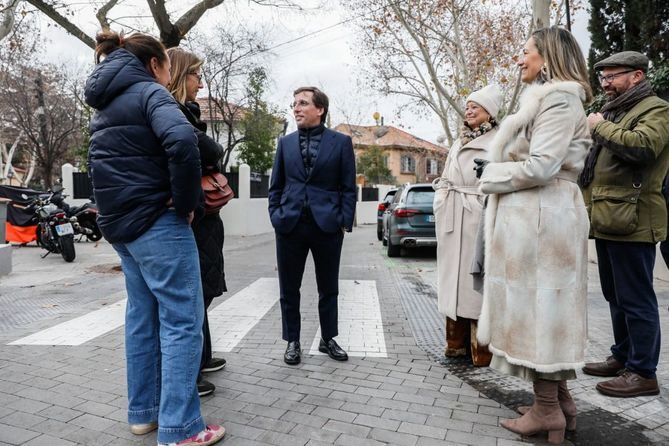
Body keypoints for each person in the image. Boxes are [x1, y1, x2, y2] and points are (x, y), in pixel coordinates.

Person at [85, 31, 225, 446]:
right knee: (183, 321)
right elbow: (183, 141)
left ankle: (143, 415)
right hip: (158, 223)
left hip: (122, 227)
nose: (168, 75)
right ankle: (181, 428)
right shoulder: (150, 93)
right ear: (154, 65)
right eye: (166, 65)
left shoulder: (106, 105)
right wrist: (187, 202)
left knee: (141, 318)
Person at [475, 27, 592, 443]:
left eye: (525, 52)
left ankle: (547, 412)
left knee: (542, 315)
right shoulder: (547, 99)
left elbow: (542, 166)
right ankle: (560, 404)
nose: (518, 60)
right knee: (543, 312)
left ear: (548, 56)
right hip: (538, 218)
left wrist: (491, 174)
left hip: (545, 218)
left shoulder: (558, 100)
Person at [579, 51, 669, 397]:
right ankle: (623, 356)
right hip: (609, 217)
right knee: (615, 295)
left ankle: (644, 372)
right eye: (603, 78)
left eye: (613, 76)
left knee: (636, 298)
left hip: (634, 218)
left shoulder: (656, 109)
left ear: (637, 76)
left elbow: (643, 147)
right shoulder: (620, 111)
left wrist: (599, 126)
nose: (606, 84)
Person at [268, 86, 356, 365]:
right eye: (294, 103)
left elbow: (348, 187)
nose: (296, 108)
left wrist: (344, 220)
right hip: (290, 225)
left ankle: (328, 338)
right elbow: (276, 185)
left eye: (303, 103)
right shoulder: (285, 143)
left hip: (327, 225)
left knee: (328, 287)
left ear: (320, 109)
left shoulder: (341, 143)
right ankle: (292, 341)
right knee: (288, 288)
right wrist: (276, 216)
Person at [167, 47, 227, 399]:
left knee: (205, 288)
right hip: (192, 220)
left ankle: (201, 358)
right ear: (178, 75)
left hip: (205, 220)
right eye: (196, 76)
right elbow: (208, 150)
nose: (201, 84)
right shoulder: (172, 112)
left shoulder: (187, 111)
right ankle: (188, 373)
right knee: (196, 294)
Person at [433, 84, 503, 367]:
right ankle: (455, 344)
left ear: (490, 112)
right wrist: (441, 201)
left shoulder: (499, 140)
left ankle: (480, 349)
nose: (469, 110)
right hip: (453, 214)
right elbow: (448, 176)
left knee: (476, 283)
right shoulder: (458, 140)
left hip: (478, 214)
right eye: (468, 105)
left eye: (476, 106)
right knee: (452, 282)